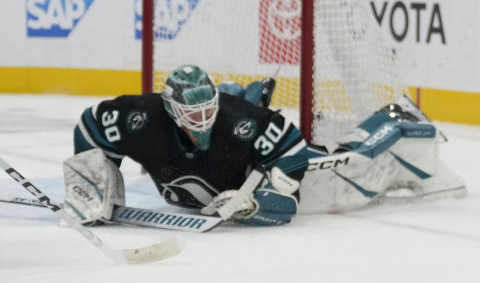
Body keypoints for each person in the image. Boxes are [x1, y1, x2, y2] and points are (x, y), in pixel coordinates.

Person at [64, 65, 443, 227]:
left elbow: (293, 157)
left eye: (208, 109)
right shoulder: (142, 117)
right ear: (171, 110)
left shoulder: (236, 120)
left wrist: (256, 200)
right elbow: (89, 125)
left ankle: (395, 119)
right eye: (191, 114)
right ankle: (246, 90)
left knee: (352, 168)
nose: (203, 121)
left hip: (252, 159)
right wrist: (97, 183)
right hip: (225, 156)